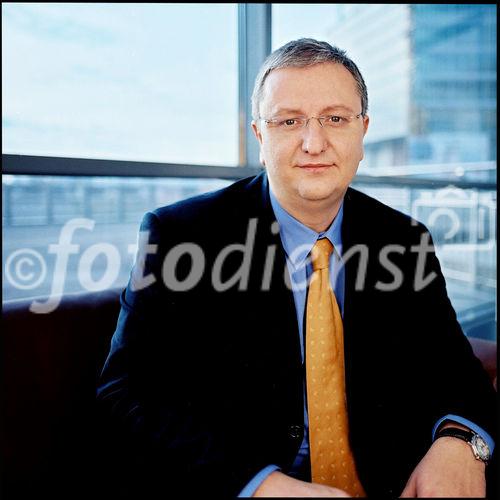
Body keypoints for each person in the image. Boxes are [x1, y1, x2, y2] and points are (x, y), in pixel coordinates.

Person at [96, 39, 496, 497]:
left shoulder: (404, 240)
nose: (314, 142)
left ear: (362, 132)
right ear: (260, 137)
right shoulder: (181, 236)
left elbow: (456, 370)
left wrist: (461, 444)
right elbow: (126, 393)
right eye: (289, 121)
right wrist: (262, 486)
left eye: (335, 118)